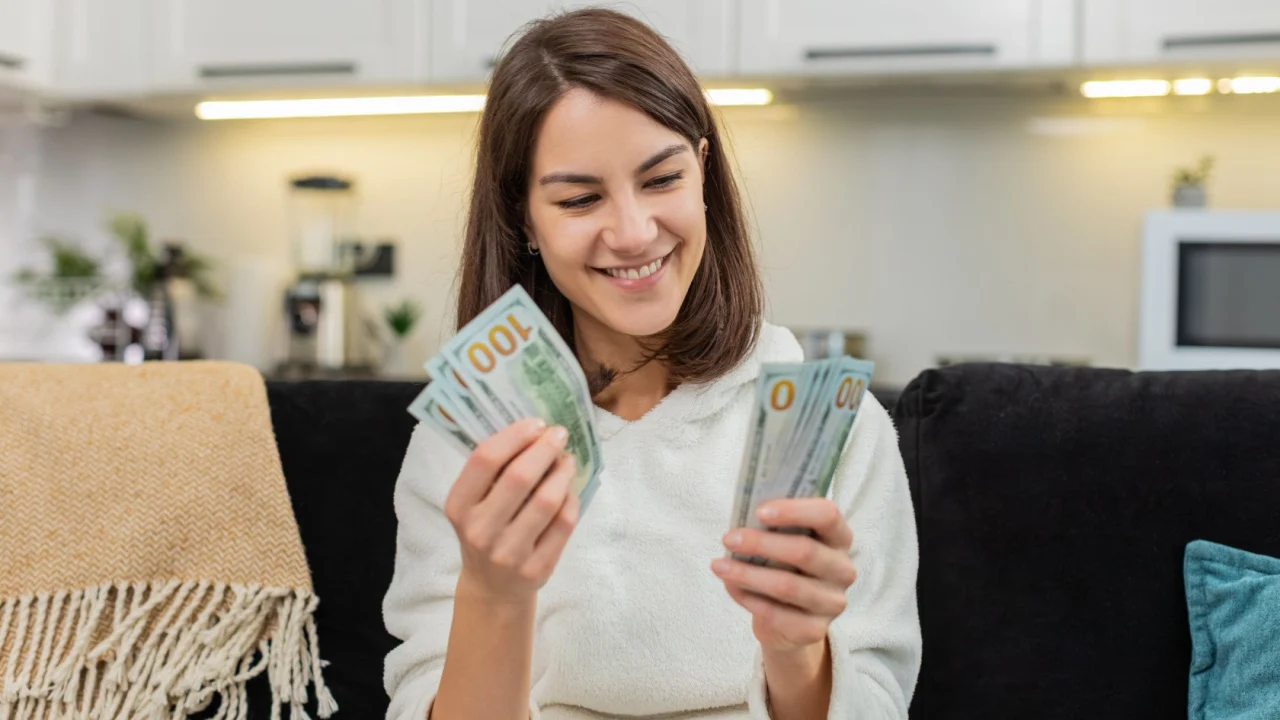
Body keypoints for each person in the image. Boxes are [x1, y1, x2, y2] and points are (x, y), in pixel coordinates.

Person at [382, 8, 921, 720]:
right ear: (523, 219)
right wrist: (494, 595)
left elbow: (878, 703)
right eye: (580, 199)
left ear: (703, 171)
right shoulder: (467, 445)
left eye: (662, 179)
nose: (634, 234)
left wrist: (797, 651)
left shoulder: (829, 427)